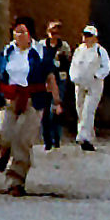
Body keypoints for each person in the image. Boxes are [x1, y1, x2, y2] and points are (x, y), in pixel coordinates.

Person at [0, 18, 59, 193]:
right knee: (3, 134)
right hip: (10, 98)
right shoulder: (7, 52)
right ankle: (4, 153)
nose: (19, 35)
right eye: (16, 32)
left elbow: (50, 78)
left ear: (30, 33)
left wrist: (57, 101)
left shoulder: (40, 52)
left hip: (33, 100)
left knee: (22, 139)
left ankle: (16, 180)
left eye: (23, 32)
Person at [68, 26, 110, 147]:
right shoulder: (79, 50)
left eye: (89, 36)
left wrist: (97, 75)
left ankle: (84, 138)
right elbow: (73, 65)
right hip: (80, 84)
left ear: (95, 38)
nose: (86, 38)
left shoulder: (100, 51)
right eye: (85, 35)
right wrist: (74, 77)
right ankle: (88, 135)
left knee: (88, 110)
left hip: (94, 84)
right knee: (80, 109)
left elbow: (106, 66)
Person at [42, 21, 74, 150]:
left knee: (56, 108)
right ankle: (47, 139)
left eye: (57, 32)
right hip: (45, 79)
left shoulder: (64, 47)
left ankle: (56, 137)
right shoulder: (41, 45)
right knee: (45, 110)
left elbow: (69, 62)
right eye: (52, 31)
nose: (54, 34)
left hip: (60, 79)